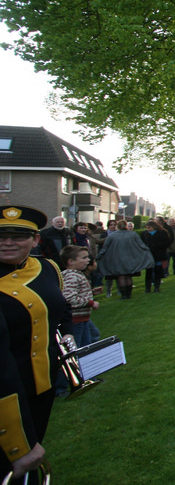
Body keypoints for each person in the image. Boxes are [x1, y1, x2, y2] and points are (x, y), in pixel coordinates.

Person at [0, 205, 73, 480]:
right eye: (1, 236)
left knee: (32, 456)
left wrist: (67, 332)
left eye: (18, 236)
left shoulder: (48, 268)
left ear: (35, 240)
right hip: (6, 393)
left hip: (42, 385)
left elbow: (61, 308)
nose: (8, 242)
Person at [97, 219, 153, 299]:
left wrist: (99, 256)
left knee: (121, 276)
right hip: (130, 259)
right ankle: (129, 294)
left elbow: (105, 248)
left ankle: (124, 295)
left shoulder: (112, 236)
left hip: (117, 259)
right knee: (128, 276)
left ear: (118, 226)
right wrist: (147, 253)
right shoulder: (133, 234)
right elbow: (141, 245)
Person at [60, 245, 100, 348]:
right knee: (81, 347)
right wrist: (90, 303)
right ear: (71, 261)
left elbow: (74, 293)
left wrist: (91, 293)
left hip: (82, 319)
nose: (88, 260)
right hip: (75, 320)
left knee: (91, 339)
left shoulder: (76, 274)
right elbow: (68, 297)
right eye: (84, 258)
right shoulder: (72, 276)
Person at [141, 220, 171, 293]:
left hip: (159, 255)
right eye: (147, 228)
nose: (148, 229)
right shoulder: (144, 234)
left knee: (158, 272)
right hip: (149, 255)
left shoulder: (162, 233)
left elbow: (167, 242)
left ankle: (157, 287)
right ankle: (147, 288)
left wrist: (158, 246)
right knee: (148, 273)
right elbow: (142, 243)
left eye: (149, 227)